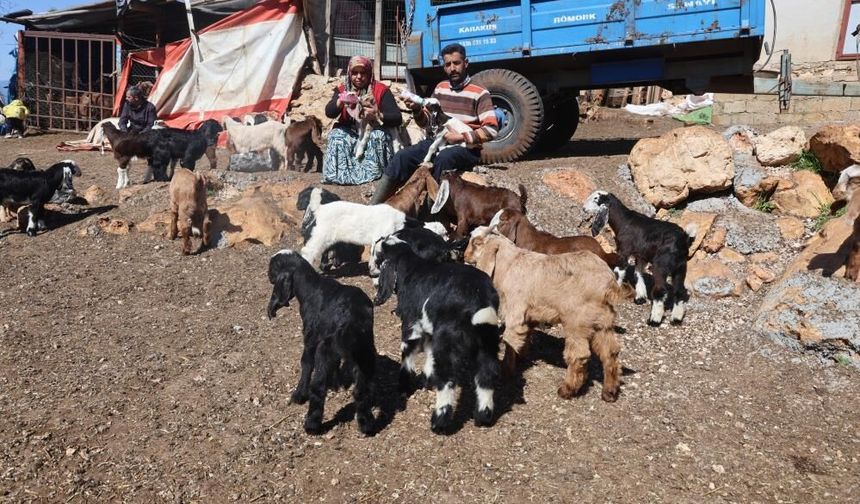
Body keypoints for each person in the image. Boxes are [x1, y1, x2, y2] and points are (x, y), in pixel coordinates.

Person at [370, 43, 498, 204]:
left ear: (466, 63)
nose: (452, 68)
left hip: (466, 148)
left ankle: (432, 211)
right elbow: (426, 123)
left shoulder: (480, 93)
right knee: (402, 156)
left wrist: (460, 137)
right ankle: (374, 207)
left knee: (444, 159)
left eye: (456, 63)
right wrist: (417, 110)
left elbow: (492, 130)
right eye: (448, 64)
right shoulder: (440, 88)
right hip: (436, 142)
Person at [322, 55, 402, 185]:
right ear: (349, 73)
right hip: (350, 131)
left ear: (369, 73)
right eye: (354, 73)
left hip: (372, 131)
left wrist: (378, 115)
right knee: (336, 136)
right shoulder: (343, 89)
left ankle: (373, 177)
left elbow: (397, 118)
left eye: (363, 73)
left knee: (378, 137)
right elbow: (329, 112)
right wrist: (340, 101)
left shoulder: (381, 90)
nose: (359, 77)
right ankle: (339, 176)